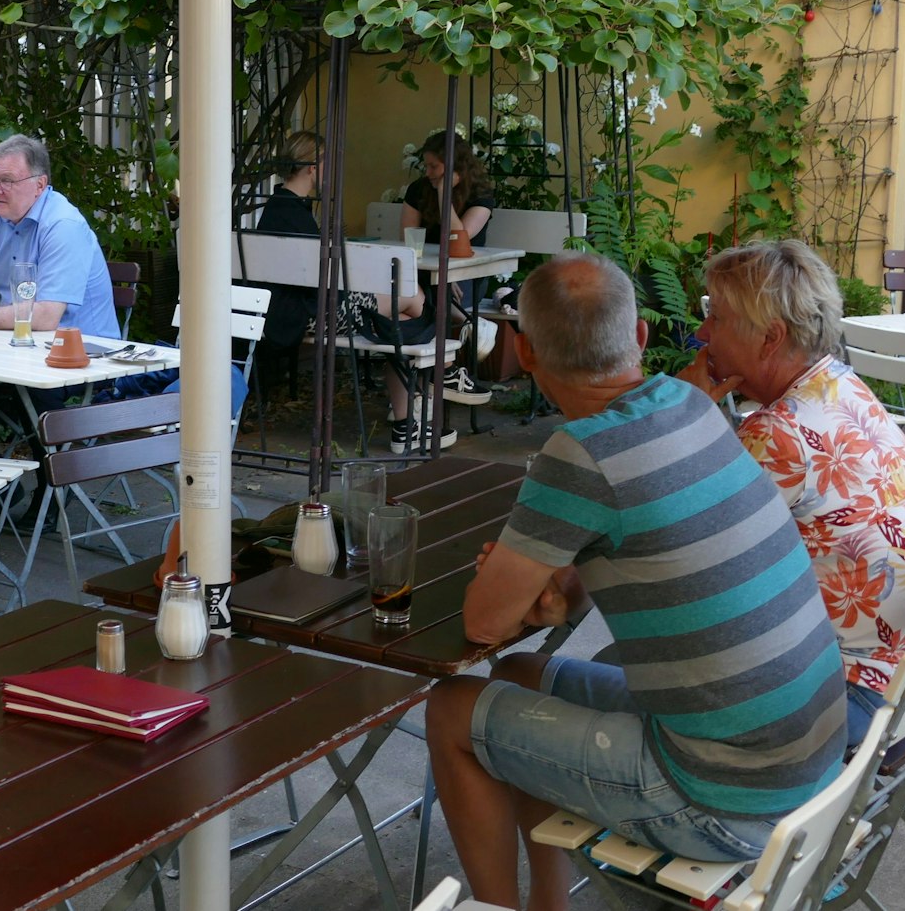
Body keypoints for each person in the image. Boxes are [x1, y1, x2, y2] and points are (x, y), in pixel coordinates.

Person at [425, 252, 847, 911]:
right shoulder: (691, 403)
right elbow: (622, 554)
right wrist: (552, 591)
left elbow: (483, 622)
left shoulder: (581, 453)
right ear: (641, 336)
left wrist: (528, 591)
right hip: (808, 770)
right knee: (517, 675)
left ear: (525, 352)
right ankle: (548, 904)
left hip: (726, 801)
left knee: (451, 708)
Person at [682, 239, 905, 747]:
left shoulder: (777, 433)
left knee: (635, 672)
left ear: (770, 337)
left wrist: (684, 418)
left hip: (847, 698)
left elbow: (685, 561)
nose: (702, 333)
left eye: (717, 318)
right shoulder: (842, 387)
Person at [250, 132, 450, 454]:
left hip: (287, 313)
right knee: (412, 297)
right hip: (311, 314)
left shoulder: (277, 207)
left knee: (396, 321)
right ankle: (433, 386)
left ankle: (407, 420)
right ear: (313, 167)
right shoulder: (296, 214)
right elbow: (322, 282)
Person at [0, 133, 118, 342]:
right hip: (17, 344)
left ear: (40, 185)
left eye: (6, 181)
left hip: (87, 352)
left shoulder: (64, 226)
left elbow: (46, 317)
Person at [403, 129, 495, 406]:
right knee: (418, 299)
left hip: (467, 276)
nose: (428, 172)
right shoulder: (419, 190)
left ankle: (427, 386)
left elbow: (459, 240)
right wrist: (439, 275)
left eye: (434, 166)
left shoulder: (480, 194)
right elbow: (409, 240)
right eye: (427, 166)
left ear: (455, 167)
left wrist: (445, 195)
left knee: (430, 300)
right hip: (425, 274)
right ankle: (437, 376)